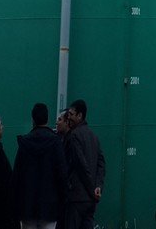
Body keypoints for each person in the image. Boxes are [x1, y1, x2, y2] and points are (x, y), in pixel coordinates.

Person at [12, 103, 68, 229]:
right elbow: (62, 174)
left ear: (33, 119)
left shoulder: (24, 143)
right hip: (50, 206)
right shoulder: (55, 142)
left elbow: (17, 176)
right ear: (47, 119)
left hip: (28, 205)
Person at [64, 98, 105, 229]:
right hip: (91, 201)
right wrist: (98, 187)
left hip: (77, 197)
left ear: (79, 116)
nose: (68, 117)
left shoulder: (74, 135)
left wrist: (91, 189)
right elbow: (101, 164)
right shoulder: (94, 137)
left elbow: (80, 165)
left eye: (71, 114)